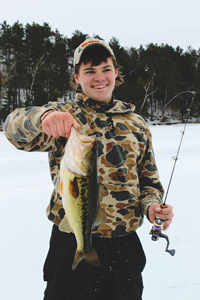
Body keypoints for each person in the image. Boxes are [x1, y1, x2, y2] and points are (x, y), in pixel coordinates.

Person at [3, 38, 174, 300]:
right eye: (89, 71)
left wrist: (151, 207)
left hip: (123, 242)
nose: (99, 78)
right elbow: (13, 127)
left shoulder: (137, 123)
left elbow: (148, 181)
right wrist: (43, 118)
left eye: (106, 69)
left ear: (116, 72)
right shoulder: (64, 114)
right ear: (76, 77)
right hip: (71, 239)